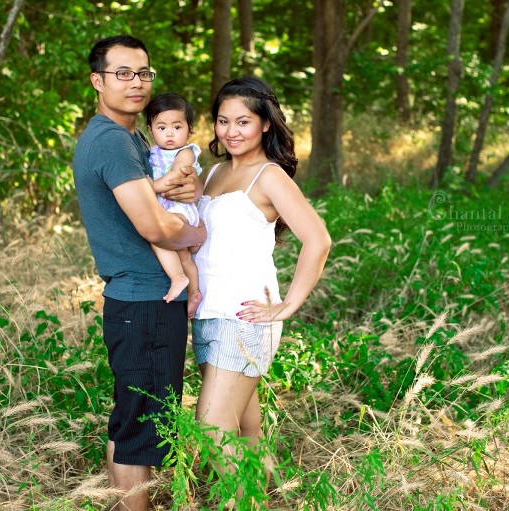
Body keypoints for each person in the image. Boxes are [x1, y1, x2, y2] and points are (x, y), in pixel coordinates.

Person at [72, 35, 206, 511]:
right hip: (147, 300)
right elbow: (153, 223)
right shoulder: (111, 142)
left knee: (131, 419)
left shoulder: (131, 138)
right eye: (122, 73)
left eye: (144, 73)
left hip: (141, 300)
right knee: (142, 426)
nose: (136, 82)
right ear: (97, 80)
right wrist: (196, 236)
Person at [191, 77, 332, 474]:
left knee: (212, 431)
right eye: (223, 121)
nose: (231, 131)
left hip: (245, 318)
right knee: (245, 432)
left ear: (265, 124)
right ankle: (270, 498)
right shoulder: (214, 173)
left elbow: (318, 240)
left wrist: (286, 305)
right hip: (209, 315)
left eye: (243, 122)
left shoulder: (269, 176)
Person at [145, 93, 203, 317]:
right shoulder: (152, 153)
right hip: (167, 208)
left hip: (181, 208)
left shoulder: (185, 152)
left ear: (189, 129)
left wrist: (147, 187)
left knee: (159, 235)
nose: (169, 133)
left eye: (177, 127)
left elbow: (176, 176)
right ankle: (194, 291)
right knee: (182, 254)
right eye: (161, 127)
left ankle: (178, 277)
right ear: (151, 130)